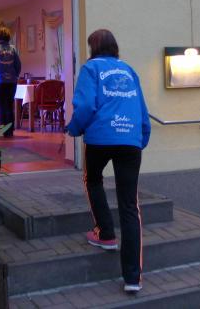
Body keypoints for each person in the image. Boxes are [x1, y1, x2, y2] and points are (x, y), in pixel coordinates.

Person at [66, 29, 151, 293]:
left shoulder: (91, 68)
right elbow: (142, 108)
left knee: (92, 180)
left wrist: (74, 128)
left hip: (100, 138)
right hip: (130, 140)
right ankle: (133, 278)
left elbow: (85, 106)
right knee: (129, 205)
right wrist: (141, 136)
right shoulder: (129, 70)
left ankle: (106, 234)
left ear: (94, 48)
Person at [0, 26, 22, 138]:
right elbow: (18, 65)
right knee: (9, 105)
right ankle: (10, 130)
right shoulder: (13, 49)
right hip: (12, 81)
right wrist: (15, 75)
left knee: (1, 106)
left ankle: (4, 130)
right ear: (8, 37)